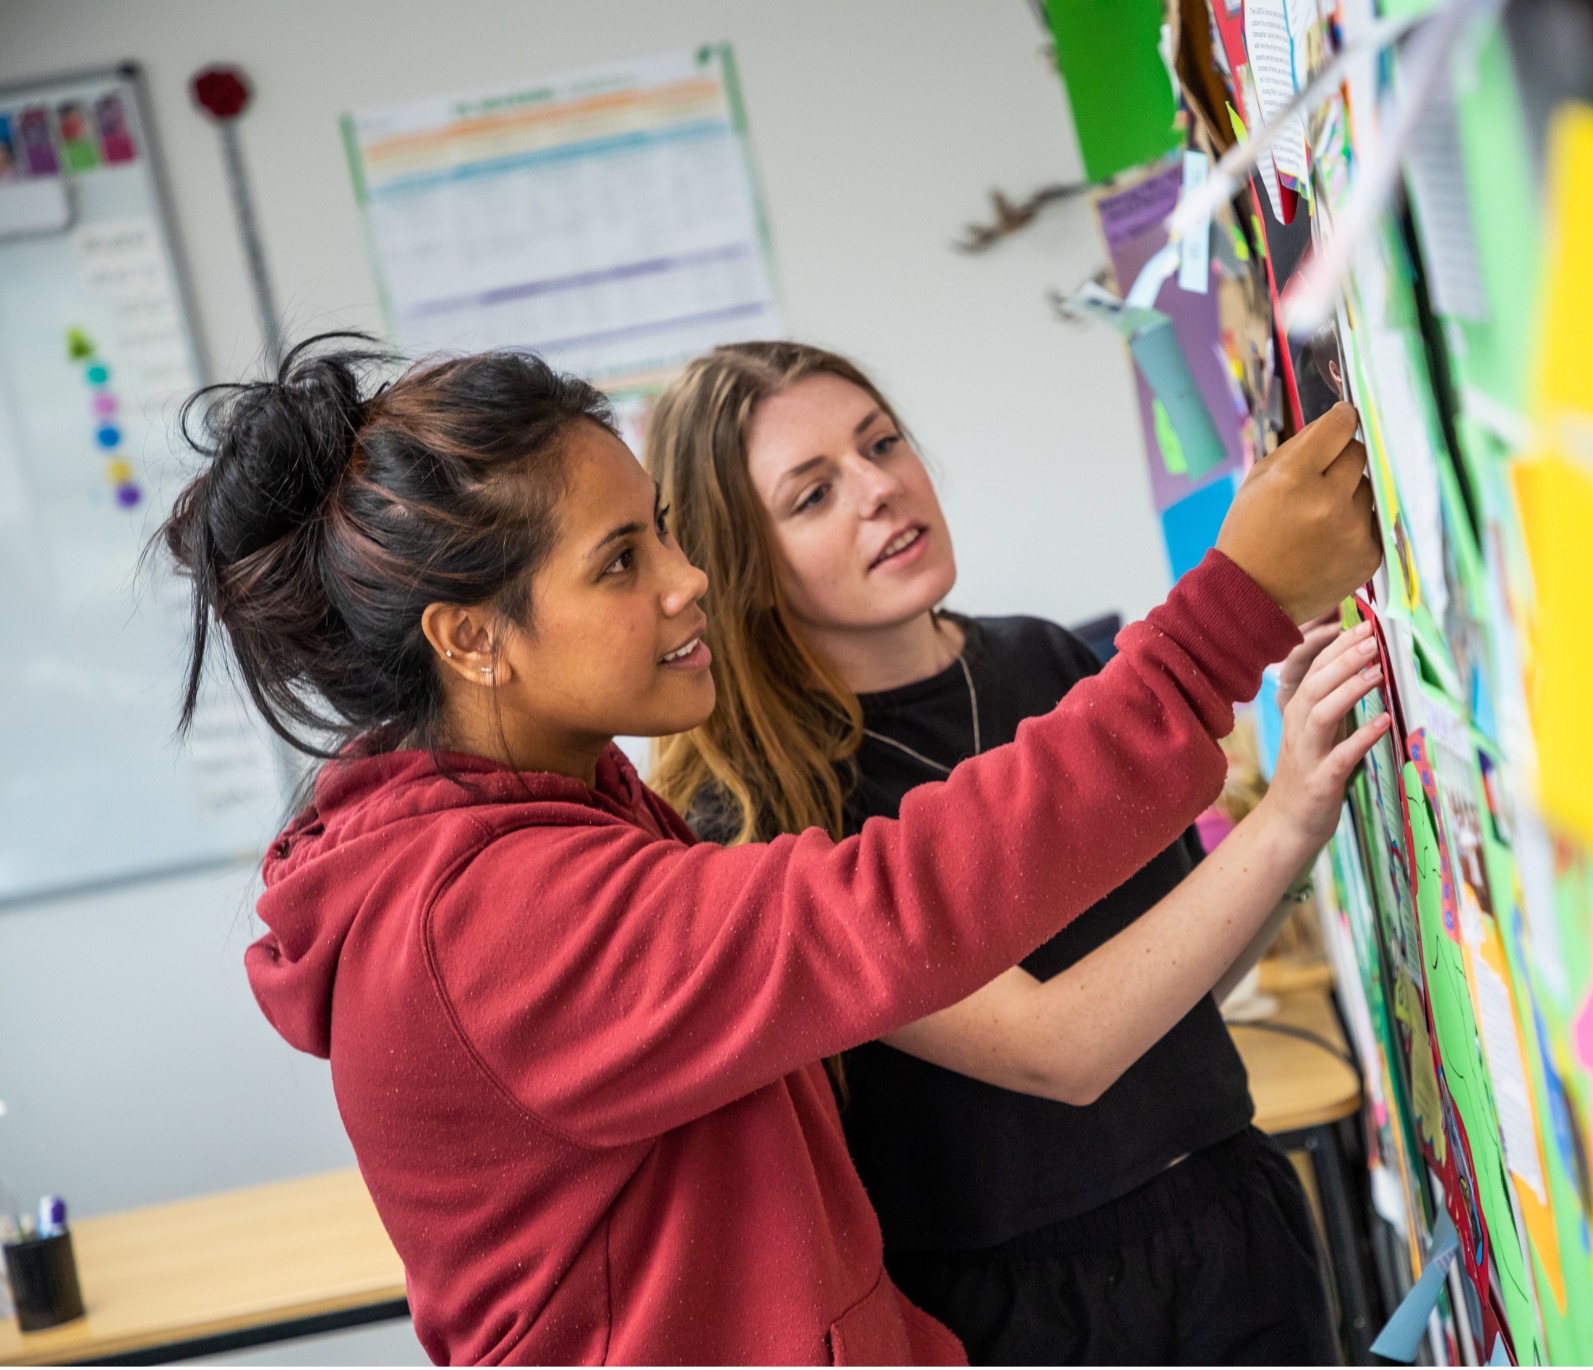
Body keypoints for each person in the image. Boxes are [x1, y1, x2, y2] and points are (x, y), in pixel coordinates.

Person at [158, 334, 1384, 1366]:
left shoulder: (555, 817)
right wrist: (1231, 611)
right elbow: (893, 911)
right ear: (473, 639)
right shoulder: (487, 924)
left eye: (664, 532)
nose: (691, 582)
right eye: (623, 560)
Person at [642, 341, 1381, 1364]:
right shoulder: (762, 812)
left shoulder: (1046, 657)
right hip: (1024, 1313)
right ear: (741, 565)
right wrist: (1287, 813)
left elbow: (1192, 977)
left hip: (1232, 1217)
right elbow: (1058, 1049)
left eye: (881, 442)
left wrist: (1312, 765)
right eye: (812, 495)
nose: (880, 489)